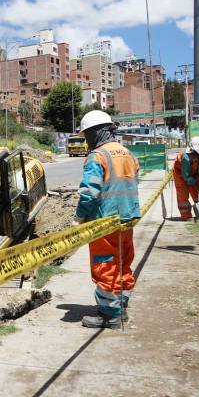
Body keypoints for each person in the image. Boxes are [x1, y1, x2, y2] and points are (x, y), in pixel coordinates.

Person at [75, 110, 141, 329]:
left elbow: (89, 193)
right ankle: (121, 304)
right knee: (123, 262)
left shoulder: (98, 156)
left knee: (105, 265)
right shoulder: (127, 153)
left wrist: (80, 216)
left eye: (86, 136)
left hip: (105, 222)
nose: (86, 141)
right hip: (127, 219)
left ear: (95, 133)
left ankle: (110, 315)